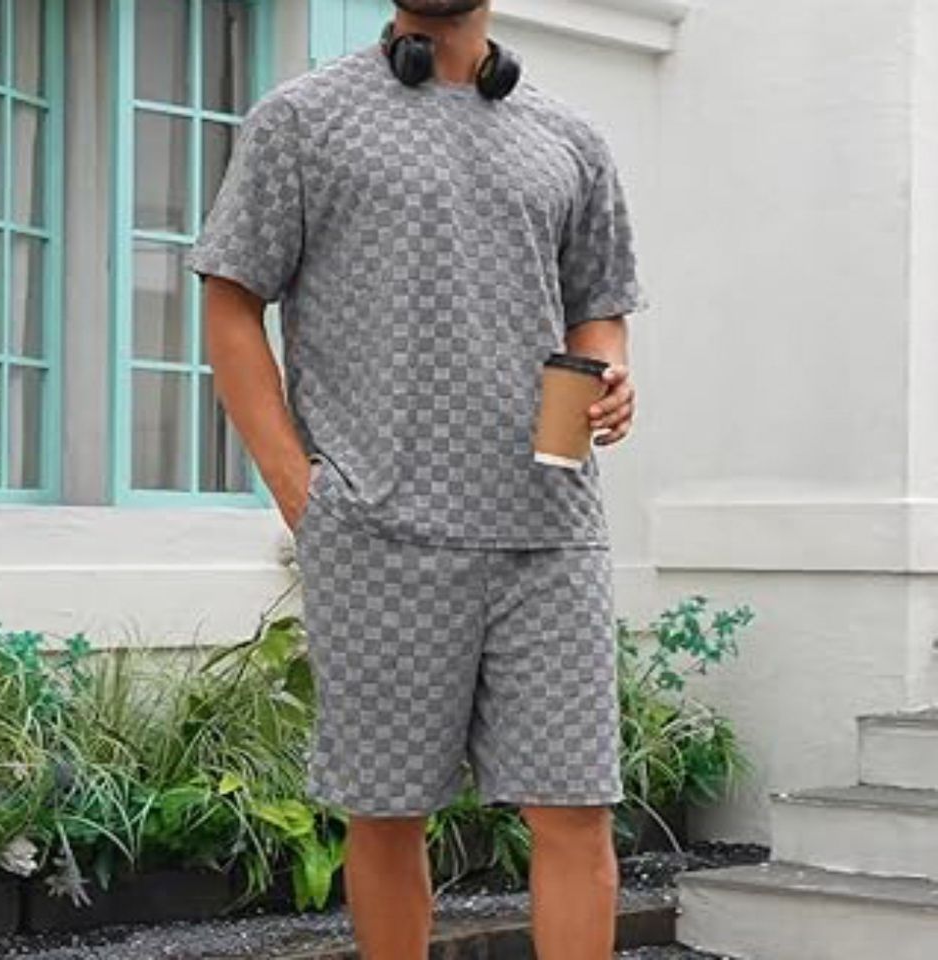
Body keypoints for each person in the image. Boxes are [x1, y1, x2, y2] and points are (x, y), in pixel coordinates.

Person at [187, 1, 648, 957]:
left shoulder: (570, 136)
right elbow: (231, 301)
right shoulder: (304, 120)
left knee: (576, 810)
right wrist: (302, 492)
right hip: (379, 532)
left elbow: (598, 307)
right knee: (388, 815)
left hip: (549, 529)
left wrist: (607, 369)